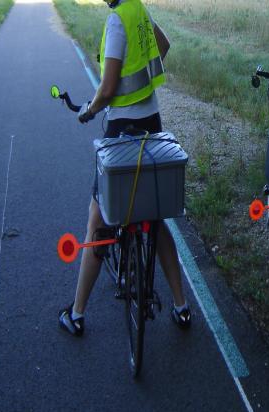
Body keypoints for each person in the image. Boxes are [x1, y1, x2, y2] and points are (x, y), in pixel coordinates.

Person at [59, 0, 191, 337]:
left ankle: (76, 313)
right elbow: (164, 45)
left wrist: (88, 111)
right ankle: (181, 307)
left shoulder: (117, 21)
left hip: (122, 131)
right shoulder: (138, 10)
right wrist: (144, 84)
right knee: (155, 215)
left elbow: (107, 89)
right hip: (152, 122)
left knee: (99, 218)